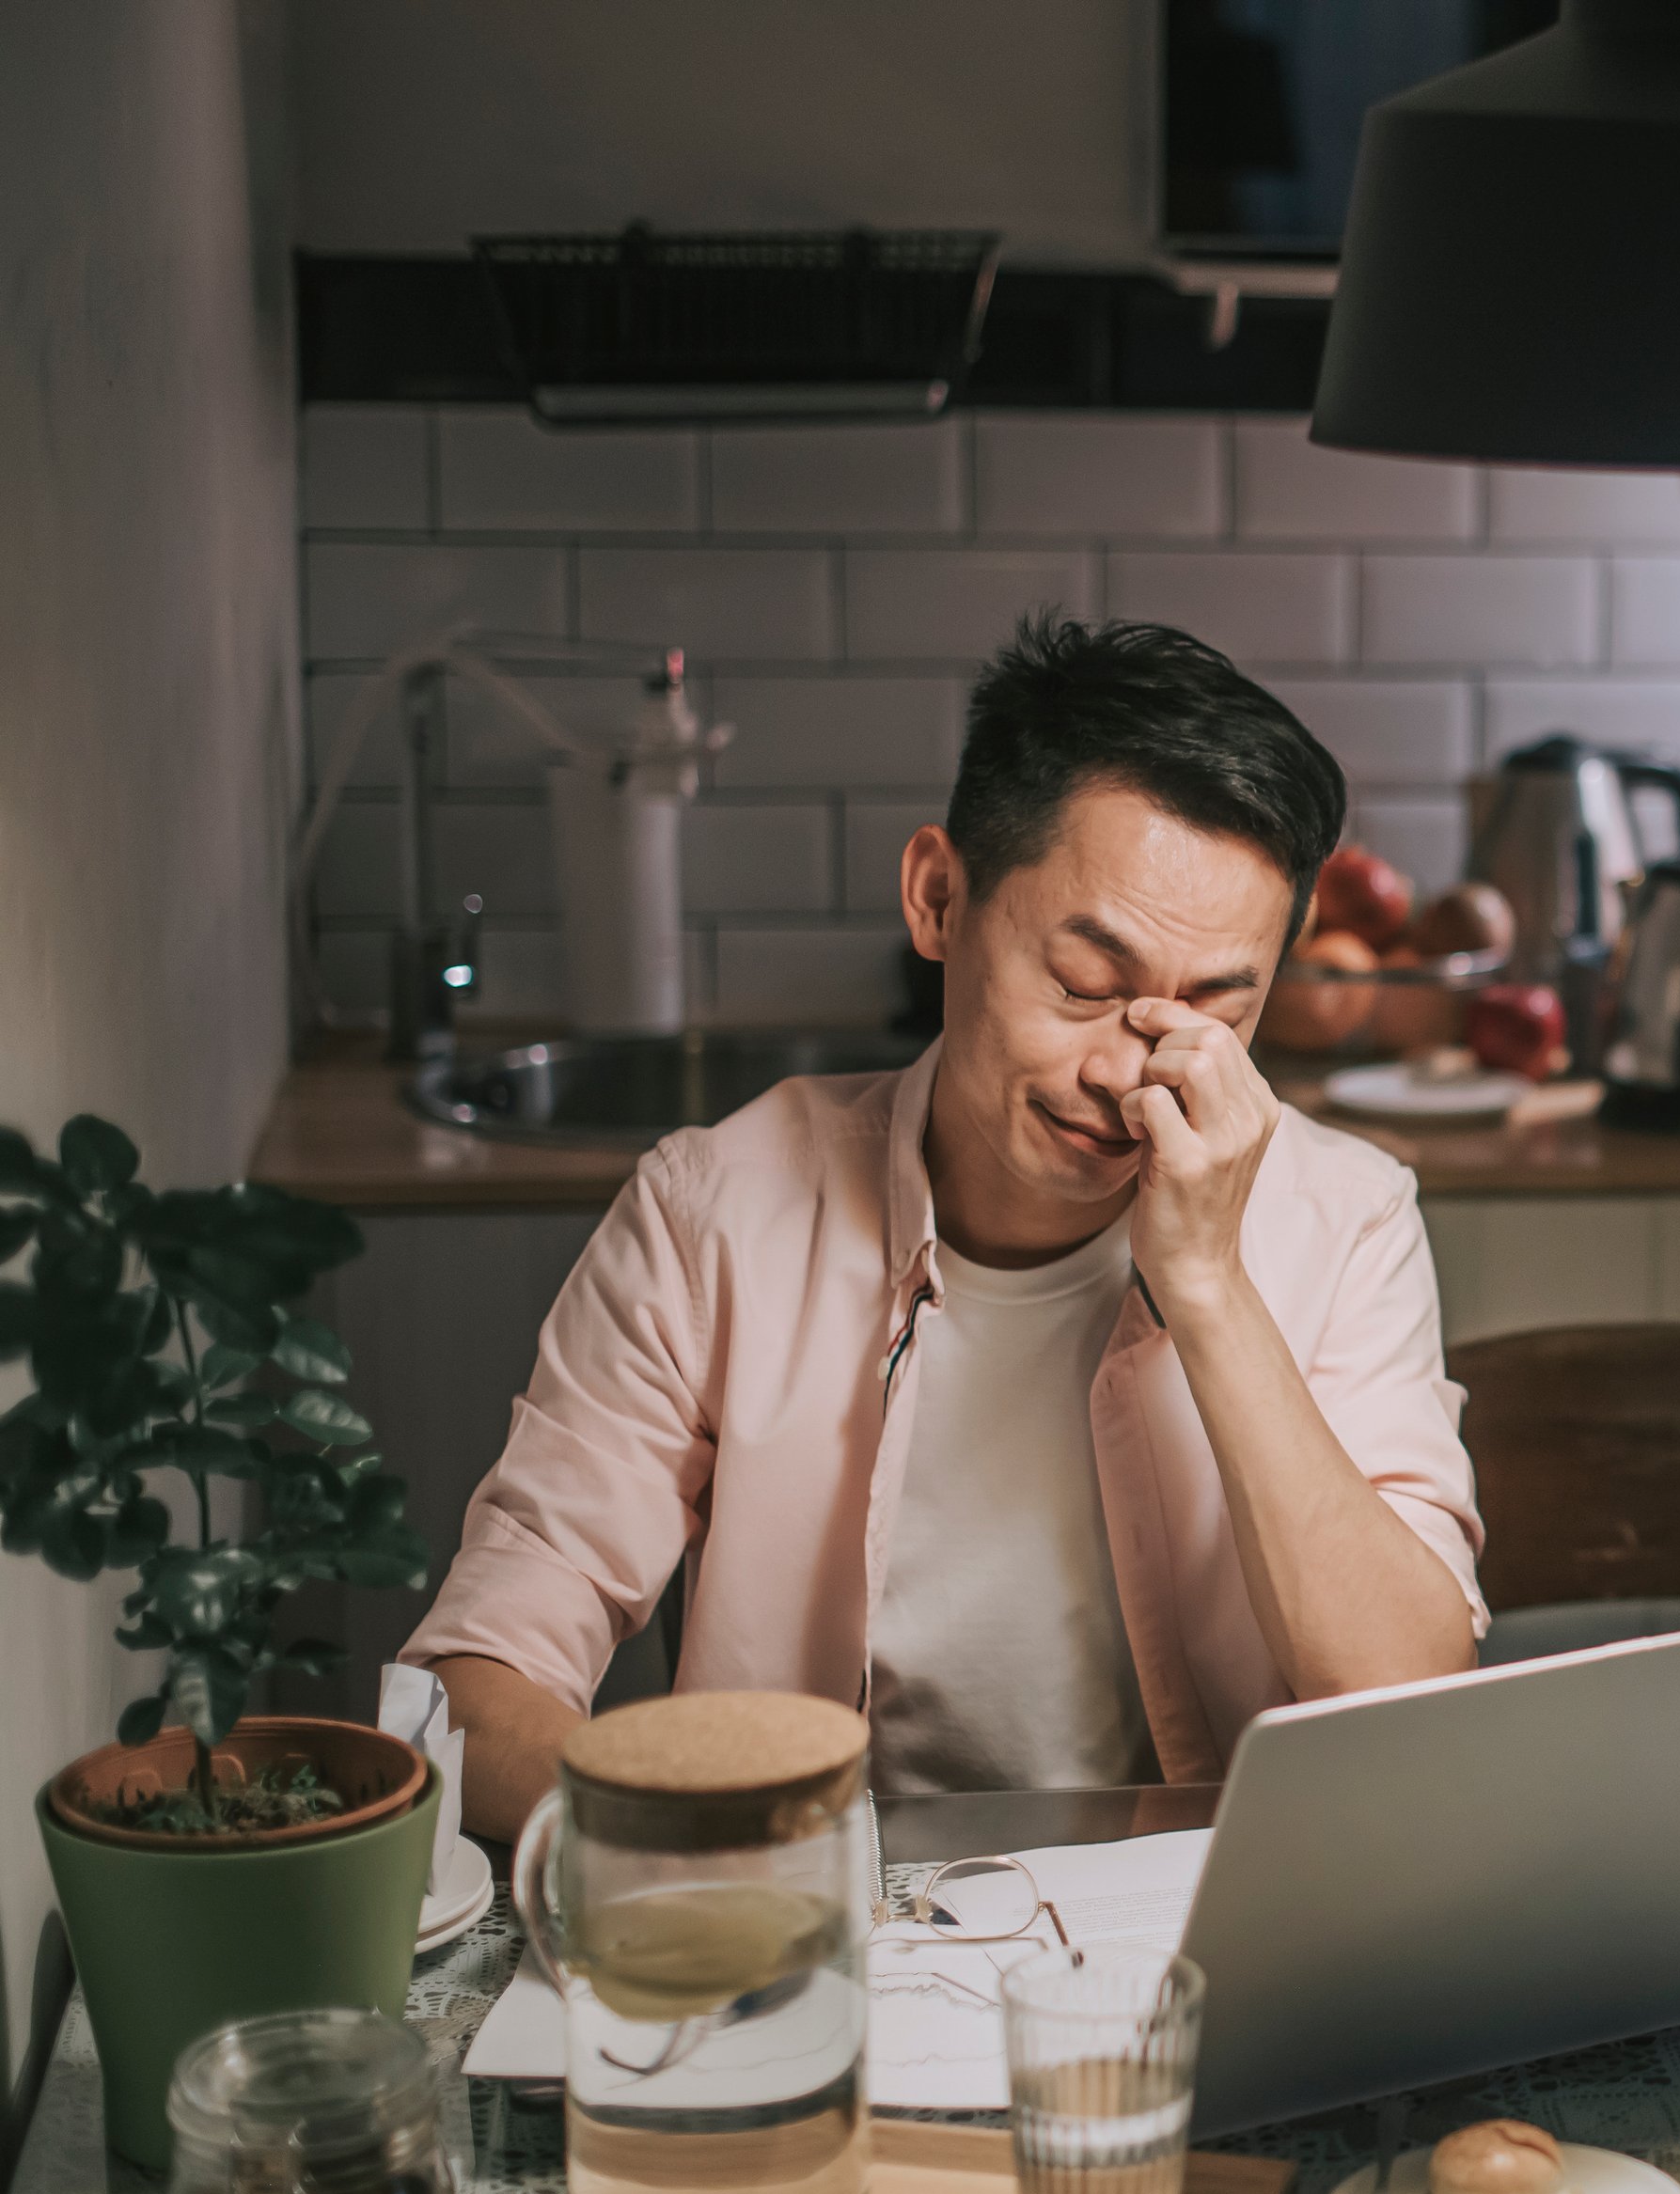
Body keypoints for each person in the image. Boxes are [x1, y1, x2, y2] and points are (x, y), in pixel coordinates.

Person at [404, 618, 1483, 1835]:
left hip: (1210, 1935)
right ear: (937, 898)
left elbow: (1409, 1694)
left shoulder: (1347, 1215)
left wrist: (1213, 1288)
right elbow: (472, 1695)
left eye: (1215, 1011)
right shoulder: (714, 1213)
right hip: (829, 1937)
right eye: (1082, 985)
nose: (1132, 1077)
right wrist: (735, 1869)